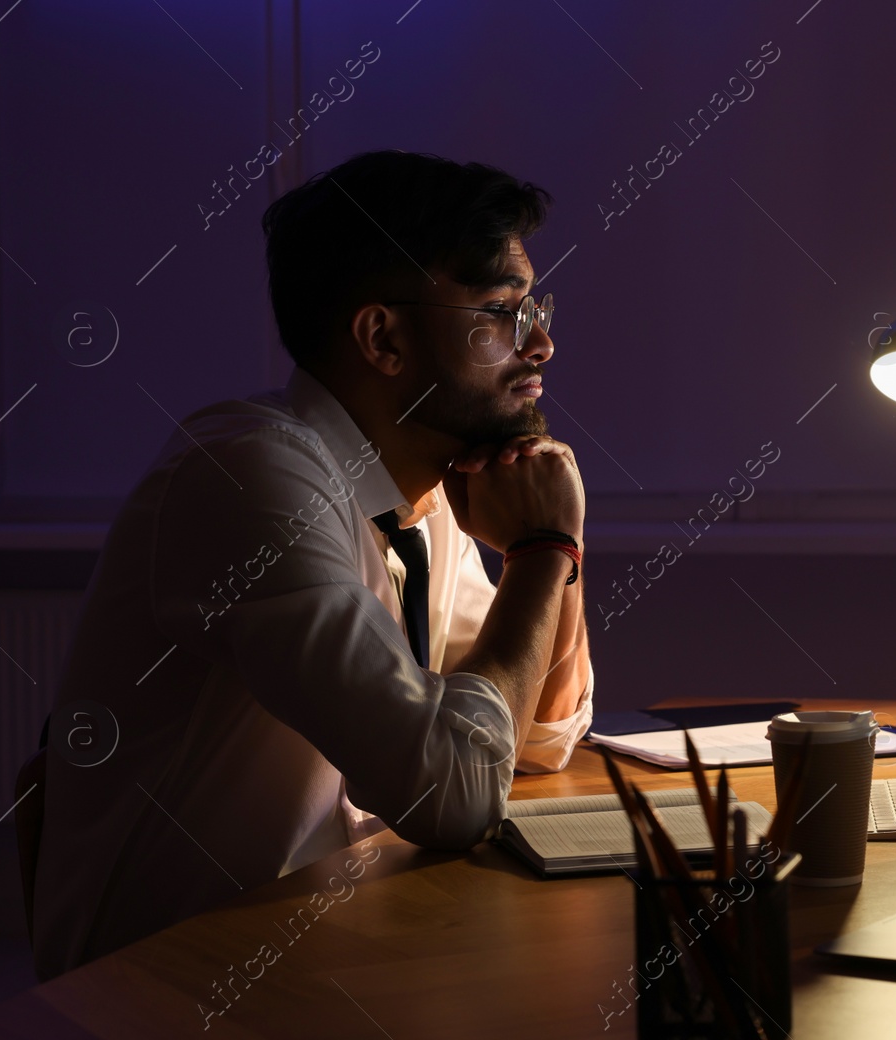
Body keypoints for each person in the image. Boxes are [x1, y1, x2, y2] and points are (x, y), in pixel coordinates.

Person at [31, 150, 591, 978]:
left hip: (337, 944)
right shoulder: (251, 478)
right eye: (504, 311)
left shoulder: (422, 502)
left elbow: (536, 739)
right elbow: (456, 793)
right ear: (383, 337)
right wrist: (547, 552)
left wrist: (542, 543)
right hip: (168, 996)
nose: (542, 343)